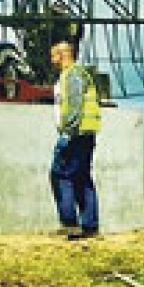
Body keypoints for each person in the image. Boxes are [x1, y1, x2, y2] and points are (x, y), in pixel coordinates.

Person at [49, 40, 100, 240]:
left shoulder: (72, 74)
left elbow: (75, 103)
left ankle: (70, 224)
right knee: (82, 177)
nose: (51, 61)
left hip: (75, 133)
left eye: (53, 56)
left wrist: (67, 131)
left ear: (61, 55)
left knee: (61, 175)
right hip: (86, 132)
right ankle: (89, 225)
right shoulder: (79, 73)